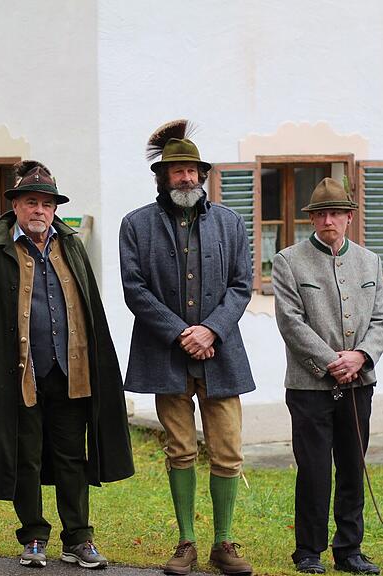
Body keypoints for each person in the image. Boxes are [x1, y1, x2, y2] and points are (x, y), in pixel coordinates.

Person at [0, 160, 134, 569]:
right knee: (25, 457)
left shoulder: (71, 248)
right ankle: (33, 534)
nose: (40, 211)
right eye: (31, 202)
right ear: (15, 205)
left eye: (47, 204)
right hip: (18, 377)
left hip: (70, 374)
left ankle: (78, 538)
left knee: (72, 457)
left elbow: (90, 311)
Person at [119, 119, 255, 576]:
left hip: (221, 355)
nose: (187, 177)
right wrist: (182, 332)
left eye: (193, 170)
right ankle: (186, 543)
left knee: (228, 451)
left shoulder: (232, 224)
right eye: (177, 171)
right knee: (179, 450)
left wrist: (210, 331)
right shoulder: (135, 225)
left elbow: (241, 286)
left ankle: (223, 543)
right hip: (165, 355)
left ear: (203, 174)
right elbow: (135, 290)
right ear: (162, 176)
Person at [271, 177, 383, 575]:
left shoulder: (370, 261)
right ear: (311, 220)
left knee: (353, 467)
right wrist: (330, 361)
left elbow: (381, 320)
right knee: (315, 470)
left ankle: (349, 549)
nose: (328, 220)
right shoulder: (289, 261)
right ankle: (308, 550)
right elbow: (291, 322)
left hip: (359, 385)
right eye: (320, 214)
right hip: (309, 387)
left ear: (349, 218)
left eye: (336, 213)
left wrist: (360, 357)